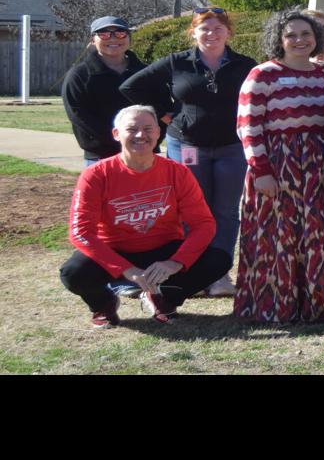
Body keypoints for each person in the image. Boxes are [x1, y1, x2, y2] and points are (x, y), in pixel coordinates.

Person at [120, 7, 257, 297]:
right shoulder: (177, 62)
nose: (211, 34)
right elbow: (132, 86)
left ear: (229, 33)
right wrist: (165, 113)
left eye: (218, 28)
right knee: (190, 212)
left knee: (226, 212)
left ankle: (219, 277)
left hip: (231, 147)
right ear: (192, 32)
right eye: (204, 28)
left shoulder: (245, 65)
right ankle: (190, 273)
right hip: (188, 146)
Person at [233, 10, 324, 323]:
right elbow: (248, 127)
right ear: (279, 40)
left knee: (322, 236)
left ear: (317, 37)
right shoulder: (262, 75)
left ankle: (323, 305)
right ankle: (275, 306)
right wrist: (261, 171)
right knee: (278, 237)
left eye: (306, 34)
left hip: (321, 165)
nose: (299, 40)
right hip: (277, 164)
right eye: (291, 35)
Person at [62, 106, 230, 327]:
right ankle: (103, 304)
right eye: (132, 129)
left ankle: (164, 297)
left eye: (148, 129)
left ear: (158, 133)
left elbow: (203, 224)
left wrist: (175, 263)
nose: (141, 135)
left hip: (162, 249)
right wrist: (126, 270)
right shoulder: (96, 174)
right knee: (74, 273)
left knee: (218, 260)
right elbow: (80, 232)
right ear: (116, 134)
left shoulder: (177, 172)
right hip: (115, 251)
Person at [62, 16, 147, 167]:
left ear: (129, 38)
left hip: (142, 150)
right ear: (93, 40)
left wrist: (148, 138)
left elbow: (159, 107)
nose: (113, 39)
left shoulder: (144, 72)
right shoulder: (80, 75)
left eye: (120, 33)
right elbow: (77, 114)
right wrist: (116, 139)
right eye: (104, 34)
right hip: (100, 154)